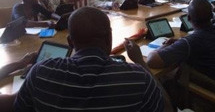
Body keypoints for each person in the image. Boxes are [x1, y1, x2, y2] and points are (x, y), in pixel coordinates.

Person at [14, 7, 166, 112]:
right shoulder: (139, 78)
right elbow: (165, 108)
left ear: (70, 42)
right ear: (109, 38)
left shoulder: (40, 72)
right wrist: (140, 62)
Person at [143, 0, 215, 108]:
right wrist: (181, 42)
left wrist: (162, 47)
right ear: (212, 16)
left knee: (163, 81)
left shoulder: (190, 42)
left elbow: (152, 61)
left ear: (189, 18)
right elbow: (203, 42)